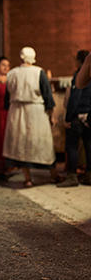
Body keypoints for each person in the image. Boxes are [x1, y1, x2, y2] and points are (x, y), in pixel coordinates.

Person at [3, 46, 56, 187]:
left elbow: (7, 98)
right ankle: (53, 175)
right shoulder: (39, 72)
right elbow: (48, 97)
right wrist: (52, 115)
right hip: (36, 112)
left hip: (17, 112)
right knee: (42, 144)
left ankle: (28, 178)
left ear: (21, 57)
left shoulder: (12, 73)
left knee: (21, 146)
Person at [58, 50, 91, 187]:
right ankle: (89, 175)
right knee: (89, 146)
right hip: (89, 116)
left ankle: (72, 176)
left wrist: (68, 118)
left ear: (79, 61)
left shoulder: (80, 75)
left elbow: (74, 98)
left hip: (78, 116)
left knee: (72, 146)